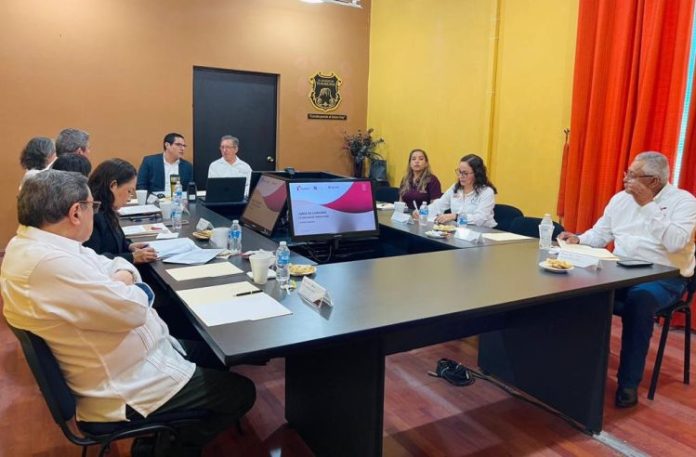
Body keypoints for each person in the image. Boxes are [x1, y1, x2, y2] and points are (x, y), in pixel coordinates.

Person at [1, 170, 255, 456]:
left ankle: (169, 432)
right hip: (124, 386)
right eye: (92, 206)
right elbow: (133, 309)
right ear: (76, 212)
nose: (95, 212)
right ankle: (168, 447)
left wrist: (122, 277)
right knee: (242, 392)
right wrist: (126, 279)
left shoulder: (39, 245)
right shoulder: (50, 263)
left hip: (131, 357)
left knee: (212, 354)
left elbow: (113, 265)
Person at [558, 151, 696, 408]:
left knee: (640, 300)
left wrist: (648, 206)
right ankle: (580, 367)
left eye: (633, 175)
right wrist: (579, 238)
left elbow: (676, 243)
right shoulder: (620, 199)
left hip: (665, 277)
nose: (626, 179)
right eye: (627, 173)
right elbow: (600, 234)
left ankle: (628, 382)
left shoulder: (684, 202)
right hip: (621, 270)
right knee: (580, 288)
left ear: (653, 181)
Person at [84, 159, 158, 264]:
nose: (129, 198)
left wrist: (129, 246)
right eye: (129, 191)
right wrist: (132, 257)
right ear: (113, 186)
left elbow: (114, 241)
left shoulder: (108, 210)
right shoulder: (92, 215)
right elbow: (94, 259)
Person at [419, 154, 497, 227]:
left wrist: (456, 216)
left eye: (465, 173)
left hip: (483, 232)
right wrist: (422, 212)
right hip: (460, 230)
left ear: (477, 174)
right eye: (459, 172)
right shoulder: (455, 188)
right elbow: (439, 205)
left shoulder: (486, 192)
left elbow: (480, 219)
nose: (461, 176)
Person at [137, 132, 193, 196]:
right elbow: (141, 186)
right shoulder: (150, 162)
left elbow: (190, 189)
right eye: (178, 145)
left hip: (179, 200)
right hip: (154, 200)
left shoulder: (187, 166)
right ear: (167, 145)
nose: (182, 148)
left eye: (184, 146)